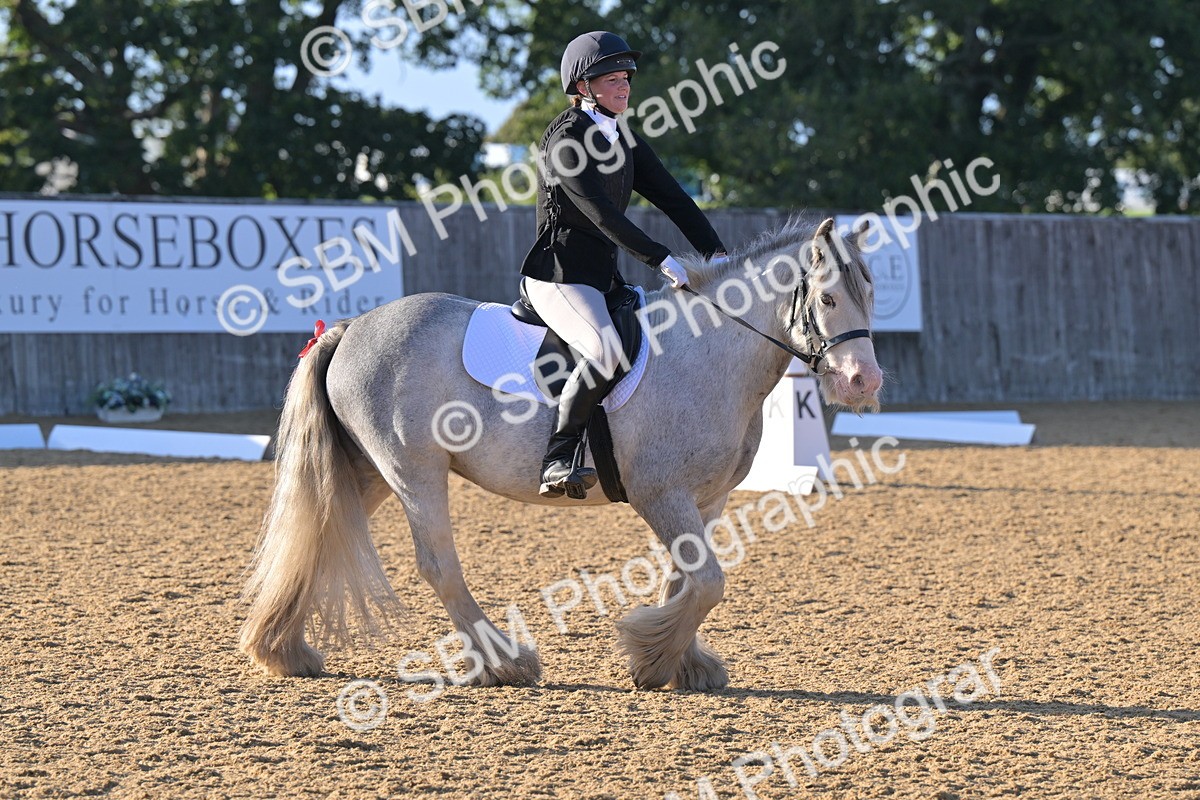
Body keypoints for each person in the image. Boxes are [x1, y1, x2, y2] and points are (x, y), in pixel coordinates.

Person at [520, 30, 728, 500]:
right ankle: (558, 455)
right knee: (605, 350)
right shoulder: (565, 139)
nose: (624, 86)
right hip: (559, 274)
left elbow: (673, 197)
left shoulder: (623, 137)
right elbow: (601, 214)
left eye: (626, 77)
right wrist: (661, 259)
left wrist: (716, 251)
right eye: (610, 79)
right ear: (583, 87)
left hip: (602, 277)